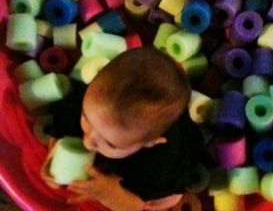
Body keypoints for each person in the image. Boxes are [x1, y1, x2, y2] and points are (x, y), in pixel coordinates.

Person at [41, 46, 205, 211]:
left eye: (111, 144)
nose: (88, 142)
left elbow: (135, 206)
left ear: (150, 142)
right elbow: (63, 124)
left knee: (164, 200)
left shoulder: (159, 164)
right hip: (130, 127)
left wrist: (108, 192)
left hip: (177, 149)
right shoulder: (92, 102)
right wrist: (53, 159)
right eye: (86, 119)